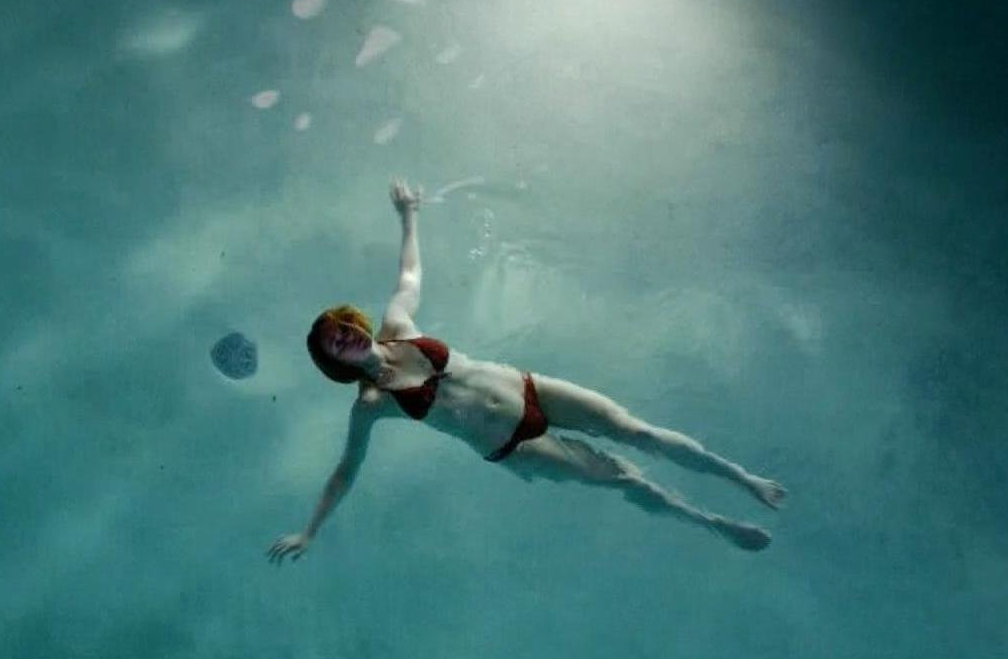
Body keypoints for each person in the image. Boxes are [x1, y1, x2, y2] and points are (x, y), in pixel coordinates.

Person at [268, 179, 786, 563]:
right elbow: (346, 471)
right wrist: (310, 530)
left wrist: (409, 216)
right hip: (514, 446)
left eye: (345, 326)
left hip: (530, 388)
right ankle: (710, 523)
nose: (348, 335)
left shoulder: (399, 326)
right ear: (336, 365)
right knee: (624, 479)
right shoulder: (372, 405)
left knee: (639, 432)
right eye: (338, 342)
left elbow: (409, 274)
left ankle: (743, 479)